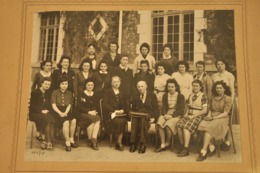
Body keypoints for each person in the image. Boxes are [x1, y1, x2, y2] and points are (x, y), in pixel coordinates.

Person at [196, 81, 232, 161]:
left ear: (224, 89)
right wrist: (209, 115)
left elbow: (225, 113)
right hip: (212, 116)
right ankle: (212, 146)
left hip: (222, 118)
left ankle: (203, 151)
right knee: (201, 125)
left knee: (208, 128)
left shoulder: (228, 99)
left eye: (220, 88)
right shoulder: (212, 97)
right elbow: (210, 109)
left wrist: (214, 118)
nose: (218, 89)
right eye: (217, 88)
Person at [175, 79, 208, 157]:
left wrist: (193, 116)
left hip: (199, 115)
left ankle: (186, 149)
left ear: (200, 87)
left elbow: (204, 110)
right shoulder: (191, 95)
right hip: (189, 114)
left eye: (197, 86)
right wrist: (186, 114)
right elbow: (188, 107)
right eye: (193, 86)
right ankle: (182, 146)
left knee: (186, 127)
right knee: (179, 125)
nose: (195, 87)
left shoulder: (203, 96)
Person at [155, 79, 185, 152]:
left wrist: (172, 116)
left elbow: (181, 109)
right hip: (166, 113)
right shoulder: (165, 96)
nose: (170, 88)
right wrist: (165, 114)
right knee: (160, 122)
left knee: (168, 125)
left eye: (172, 87)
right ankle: (162, 144)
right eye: (168, 87)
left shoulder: (180, 96)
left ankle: (167, 142)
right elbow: (164, 107)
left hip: (176, 115)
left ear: (176, 87)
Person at [129, 80, 160, 154]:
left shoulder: (152, 95)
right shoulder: (135, 95)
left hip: (148, 115)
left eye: (142, 86)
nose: (140, 88)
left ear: (146, 87)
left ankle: (143, 143)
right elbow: (133, 108)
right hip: (138, 115)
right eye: (138, 87)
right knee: (135, 119)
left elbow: (156, 109)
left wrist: (154, 118)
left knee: (143, 120)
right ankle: (133, 143)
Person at [211, 59, 235, 150]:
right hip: (217, 99)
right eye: (218, 64)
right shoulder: (214, 76)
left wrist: (231, 102)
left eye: (222, 64)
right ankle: (215, 139)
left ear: (225, 65)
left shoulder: (229, 75)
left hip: (227, 99)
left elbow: (232, 89)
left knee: (226, 118)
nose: (220, 66)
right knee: (216, 117)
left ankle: (226, 140)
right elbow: (214, 90)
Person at [51, 76, 78, 152]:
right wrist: (60, 113)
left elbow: (69, 104)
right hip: (57, 111)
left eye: (66, 84)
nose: (64, 85)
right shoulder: (55, 92)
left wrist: (65, 112)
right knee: (66, 122)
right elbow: (53, 105)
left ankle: (71, 138)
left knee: (74, 120)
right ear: (59, 85)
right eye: (62, 84)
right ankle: (67, 142)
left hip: (66, 110)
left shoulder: (69, 93)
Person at [29, 77, 55, 150]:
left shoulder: (48, 93)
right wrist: (41, 111)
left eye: (49, 84)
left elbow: (49, 106)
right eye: (46, 84)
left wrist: (46, 111)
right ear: (41, 84)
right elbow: (32, 106)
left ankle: (45, 142)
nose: (47, 86)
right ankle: (48, 142)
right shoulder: (35, 92)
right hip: (35, 113)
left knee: (50, 119)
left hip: (45, 113)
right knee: (48, 119)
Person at [103, 76, 127, 151]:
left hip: (120, 113)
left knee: (123, 120)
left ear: (120, 83)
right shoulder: (107, 92)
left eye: (118, 82)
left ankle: (119, 142)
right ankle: (119, 142)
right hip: (110, 113)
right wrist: (114, 111)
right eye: (114, 82)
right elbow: (105, 104)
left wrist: (123, 110)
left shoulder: (122, 92)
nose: (116, 83)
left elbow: (125, 104)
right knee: (118, 121)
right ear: (111, 83)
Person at [76, 79, 100, 150]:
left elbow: (96, 105)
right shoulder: (81, 94)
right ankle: (93, 141)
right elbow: (79, 107)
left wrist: (94, 111)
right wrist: (89, 112)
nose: (90, 86)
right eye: (88, 85)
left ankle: (92, 140)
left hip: (91, 114)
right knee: (96, 119)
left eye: (92, 85)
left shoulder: (95, 94)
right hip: (82, 114)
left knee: (94, 120)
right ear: (85, 86)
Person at [31, 60, 53, 141]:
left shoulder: (52, 74)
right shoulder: (38, 74)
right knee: (40, 111)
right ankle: (39, 132)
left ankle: (46, 135)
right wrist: (33, 93)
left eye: (50, 65)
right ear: (43, 66)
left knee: (47, 114)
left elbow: (52, 86)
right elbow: (34, 86)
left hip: (48, 95)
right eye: (47, 65)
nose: (49, 67)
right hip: (39, 94)